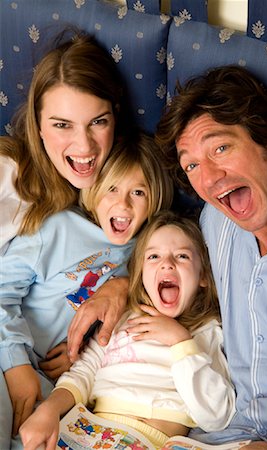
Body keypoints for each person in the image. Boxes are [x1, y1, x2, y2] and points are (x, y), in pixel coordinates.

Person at [155, 65, 267, 448]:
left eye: (221, 148)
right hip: (220, 433)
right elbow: (170, 261)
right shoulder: (215, 222)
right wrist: (119, 287)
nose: (210, 178)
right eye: (192, 165)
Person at [0, 30, 132, 448]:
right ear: (37, 126)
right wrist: (17, 368)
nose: (84, 146)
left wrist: (123, 286)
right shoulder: (7, 177)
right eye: (61, 125)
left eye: (98, 122)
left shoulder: (126, 208)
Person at [0, 132, 174, 449]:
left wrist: (78, 359)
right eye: (112, 189)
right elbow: (1, 294)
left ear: (155, 200)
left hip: (60, 386)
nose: (122, 204)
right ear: (92, 190)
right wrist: (16, 365)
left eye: (138, 192)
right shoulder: (54, 228)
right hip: (7, 358)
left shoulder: (150, 254)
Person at [19, 211, 236, 450]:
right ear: (141, 274)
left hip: (160, 441)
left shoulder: (206, 331)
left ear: (203, 275)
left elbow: (218, 415)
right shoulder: (122, 319)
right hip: (95, 434)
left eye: (182, 256)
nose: (167, 263)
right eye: (154, 256)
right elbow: (83, 374)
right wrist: (50, 409)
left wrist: (180, 342)